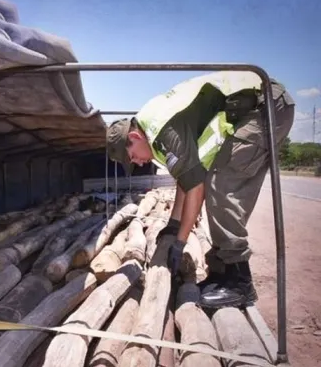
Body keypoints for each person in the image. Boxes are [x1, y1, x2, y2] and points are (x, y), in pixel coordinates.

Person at [106, 71, 295, 309]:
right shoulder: (153, 127)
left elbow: (196, 187)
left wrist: (180, 242)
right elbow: (187, 179)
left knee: (219, 183)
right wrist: (173, 225)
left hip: (265, 106)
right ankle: (222, 273)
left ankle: (240, 283)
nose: (139, 162)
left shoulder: (162, 131)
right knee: (216, 179)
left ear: (134, 136)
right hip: (260, 106)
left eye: (133, 156)